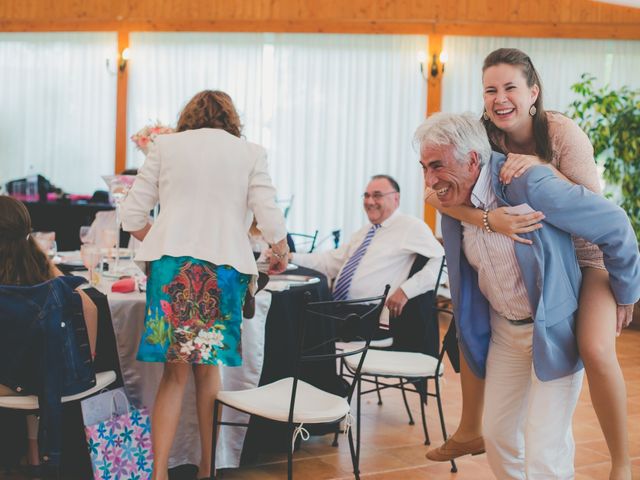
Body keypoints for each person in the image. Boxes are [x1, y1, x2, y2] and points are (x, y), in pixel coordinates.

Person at [425, 47, 635, 480]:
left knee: (595, 349)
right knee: (502, 435)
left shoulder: (560, 134)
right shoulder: (483, 137)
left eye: (510, 88)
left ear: (533, 92)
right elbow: (442, 195)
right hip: (523, 290)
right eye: (490, 89)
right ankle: (471, 428)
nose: (499, 98)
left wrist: (543, 171)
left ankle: (621, 462)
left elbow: (600, 215)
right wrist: (491, 219)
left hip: (587, 254)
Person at [120, 90, 289, 480]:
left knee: (173, 373)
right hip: (223, 270)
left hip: (170, 271)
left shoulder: (165, 146)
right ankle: (208, 469)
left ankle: (159, 472)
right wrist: (279, 250)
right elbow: (269, 215)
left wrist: (163, 239)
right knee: (208, 369)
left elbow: (131, 216)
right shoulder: (250, 152)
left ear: (189, 116)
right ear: (232, 119)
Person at [0, 196, 98, 473]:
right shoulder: (40, 264)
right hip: (47, 380)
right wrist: (86, 356)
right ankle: (33, 451)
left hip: (8, 382)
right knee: (37, 354)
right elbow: (88, 306)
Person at [282, 174, 444, 320]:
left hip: (367, 315)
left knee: (298, 324)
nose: (369, 201)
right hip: (340, 309)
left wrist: (406, 290)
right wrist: (290, 257)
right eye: (366, 196)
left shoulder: (410, 226)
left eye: (377, 195)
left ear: (396, 199)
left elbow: (443, 262)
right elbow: (329, 261)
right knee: (292, 314)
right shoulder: (364, 232)